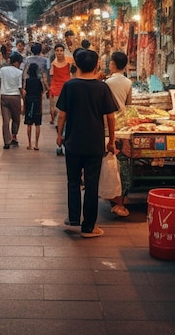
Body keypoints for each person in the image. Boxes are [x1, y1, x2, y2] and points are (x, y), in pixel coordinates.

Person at [56, 49, 118, 238]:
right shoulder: (102, 87)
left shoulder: (70, 86)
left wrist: (60, 135)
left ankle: (74, 218)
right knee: (91, 185)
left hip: (73, 141)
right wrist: (111, 141)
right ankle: (88, 227)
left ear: (77, 64)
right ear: (97, 65)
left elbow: (62, 115)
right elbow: (111, 117)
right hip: (94, 143)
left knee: (73, 181)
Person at [104, 51, 133, 218]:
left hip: (110, 124)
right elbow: (129, 105)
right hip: (123, 125)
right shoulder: (128, 82)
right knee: (123, 162)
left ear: (114, 64)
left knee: (113, 163)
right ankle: (120, 199)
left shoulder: (107, 82)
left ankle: (116, 199)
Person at [0, 53, 23, 148]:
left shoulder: (3, 70)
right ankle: (14, 137)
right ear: (16, 62)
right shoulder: (19, 72)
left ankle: (6, 141)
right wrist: (23, 99)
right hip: (15, 97)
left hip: (4, 96)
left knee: (6, 120)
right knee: (16, 119)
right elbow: (20, 87)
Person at [48, 43, 73, 137]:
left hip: (67, 90)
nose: (59, 53)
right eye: (57, 51)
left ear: (64, 51)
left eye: (61, 51)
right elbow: (53, 79)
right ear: (55, 52)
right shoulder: (53, 64)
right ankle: (60, 136)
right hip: (56, 92)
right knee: (59, 115)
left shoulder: (69, 62)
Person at [23, 62, 46, 150]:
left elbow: (25, 91)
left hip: (29, 102)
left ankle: (29, 143)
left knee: (29, 124)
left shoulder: (27, 81)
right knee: (37, 124)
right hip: (37, 103)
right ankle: (36, 144)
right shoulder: (38, 81)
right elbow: (42, 91)